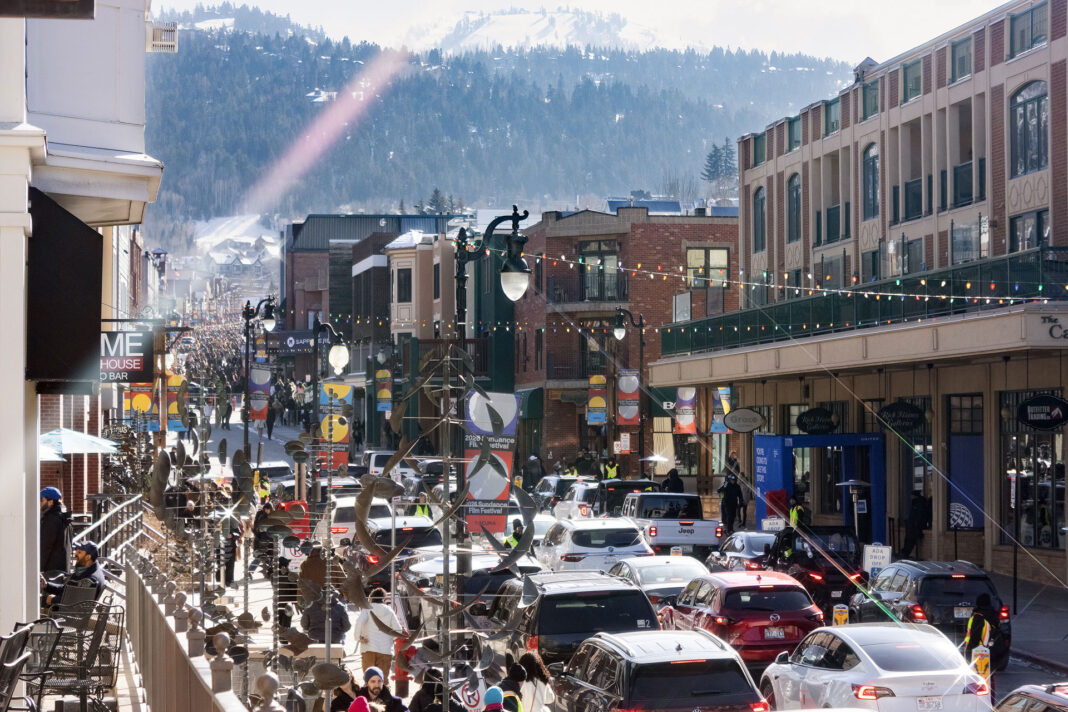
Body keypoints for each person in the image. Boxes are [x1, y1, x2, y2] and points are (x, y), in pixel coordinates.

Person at [353, 588, 403, 675]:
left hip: (368, 648)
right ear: (383, 599)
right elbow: (398, 630)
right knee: (383, 681)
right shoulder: (389, 610)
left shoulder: (367, 609)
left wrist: (358, 637)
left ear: (371, 598)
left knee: (369, 680)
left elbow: (360, 621)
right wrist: (392, 639)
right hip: (385, 649)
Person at [43, 540, 105, 606]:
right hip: (71, 609)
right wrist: (46, 585)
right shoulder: (87, 569)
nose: (75, 554)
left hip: (70, 612)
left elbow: (77, 603)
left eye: (79, 552)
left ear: (88, 557)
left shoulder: (90, 580)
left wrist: (53, 600)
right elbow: (67, 589)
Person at [40, 486, 72, 573]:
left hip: (51, 571)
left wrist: (39, 567)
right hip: (62, 569)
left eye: (41, 500)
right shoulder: (64, 517)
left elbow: (45, 545)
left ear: (50, 502)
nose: (39, 503)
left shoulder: (51, 518)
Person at [900, 491, 930, 559]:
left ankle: (905, 552)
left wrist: (916, 524)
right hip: (913, 525)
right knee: (909, 540)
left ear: (914, 496)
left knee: (910, 540)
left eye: (912, 496)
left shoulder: (918, 503)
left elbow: (919, 515)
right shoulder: (917, 503)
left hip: (915, 526)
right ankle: (905, 552)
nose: (911, 497)